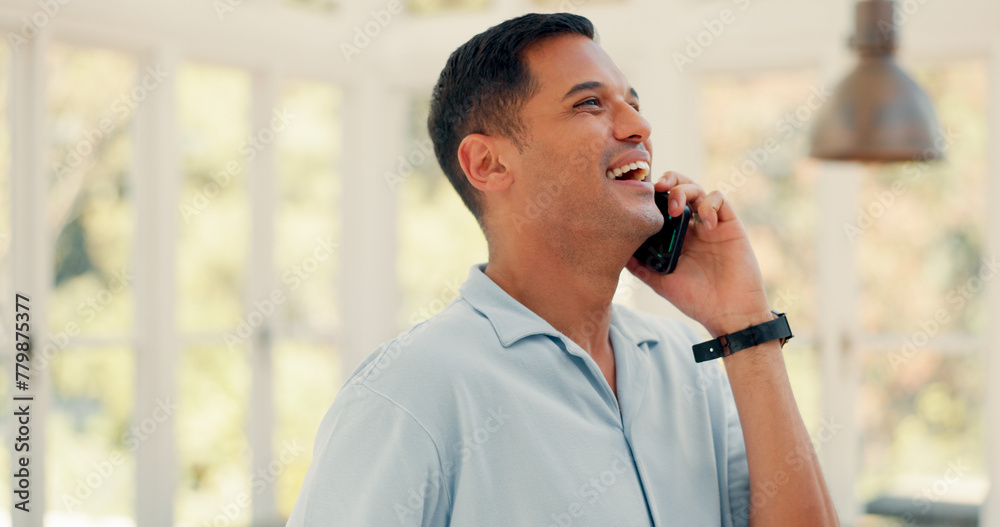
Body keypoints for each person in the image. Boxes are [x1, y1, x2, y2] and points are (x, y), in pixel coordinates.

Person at [287, 12, 838, 527]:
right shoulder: (408, 393)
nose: (639, 125)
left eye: (632, 102)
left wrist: (746, 327)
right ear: (489, 163)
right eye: (589, 105)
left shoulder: (686, 367)